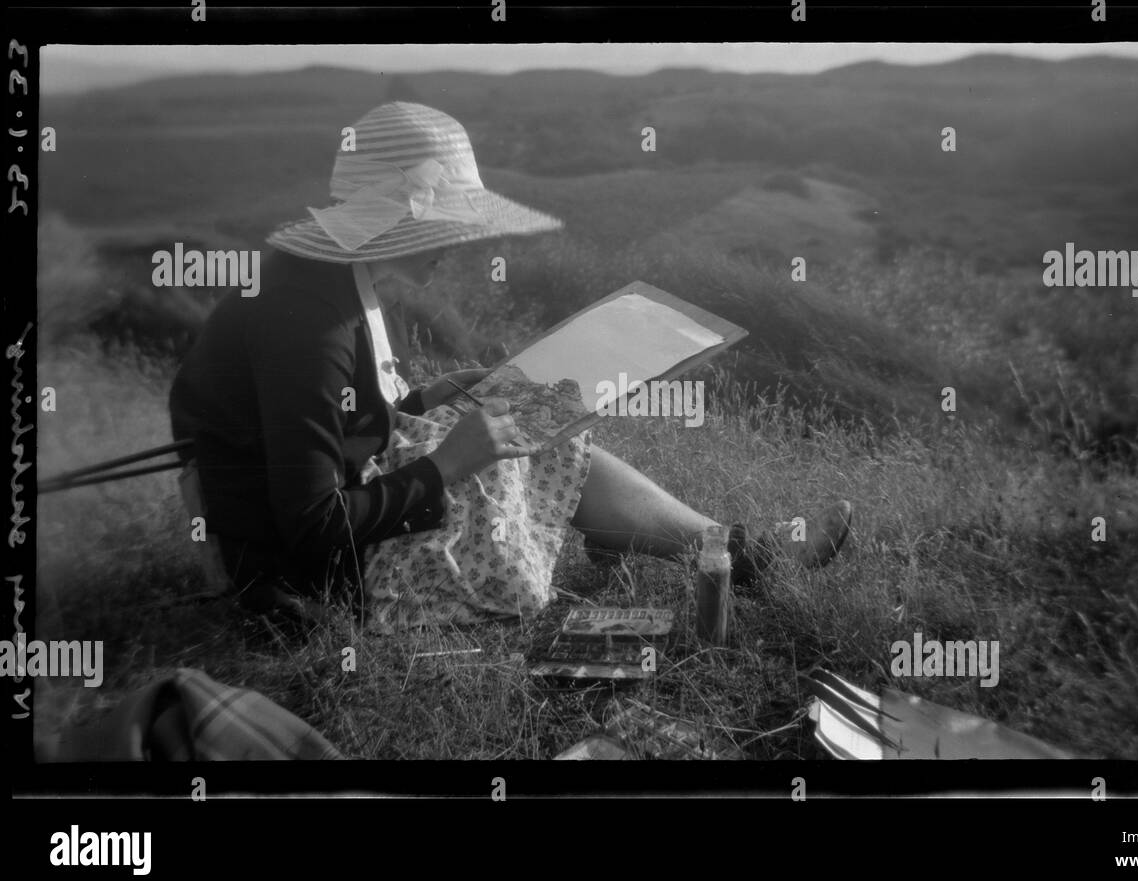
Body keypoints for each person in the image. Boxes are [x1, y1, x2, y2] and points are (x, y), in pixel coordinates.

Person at [169, 101, 852, 630]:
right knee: (519, 448)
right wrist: (445, 465)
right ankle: (741, 553)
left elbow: (347, 422)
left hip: (320, 513)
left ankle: (723, 547)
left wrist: (436, 396)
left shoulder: (332, 278)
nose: (461, 244)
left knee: (527, 419)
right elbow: (312, 526)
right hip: (303, 574)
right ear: (396, 217)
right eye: (449, 226)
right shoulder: (308, 322)